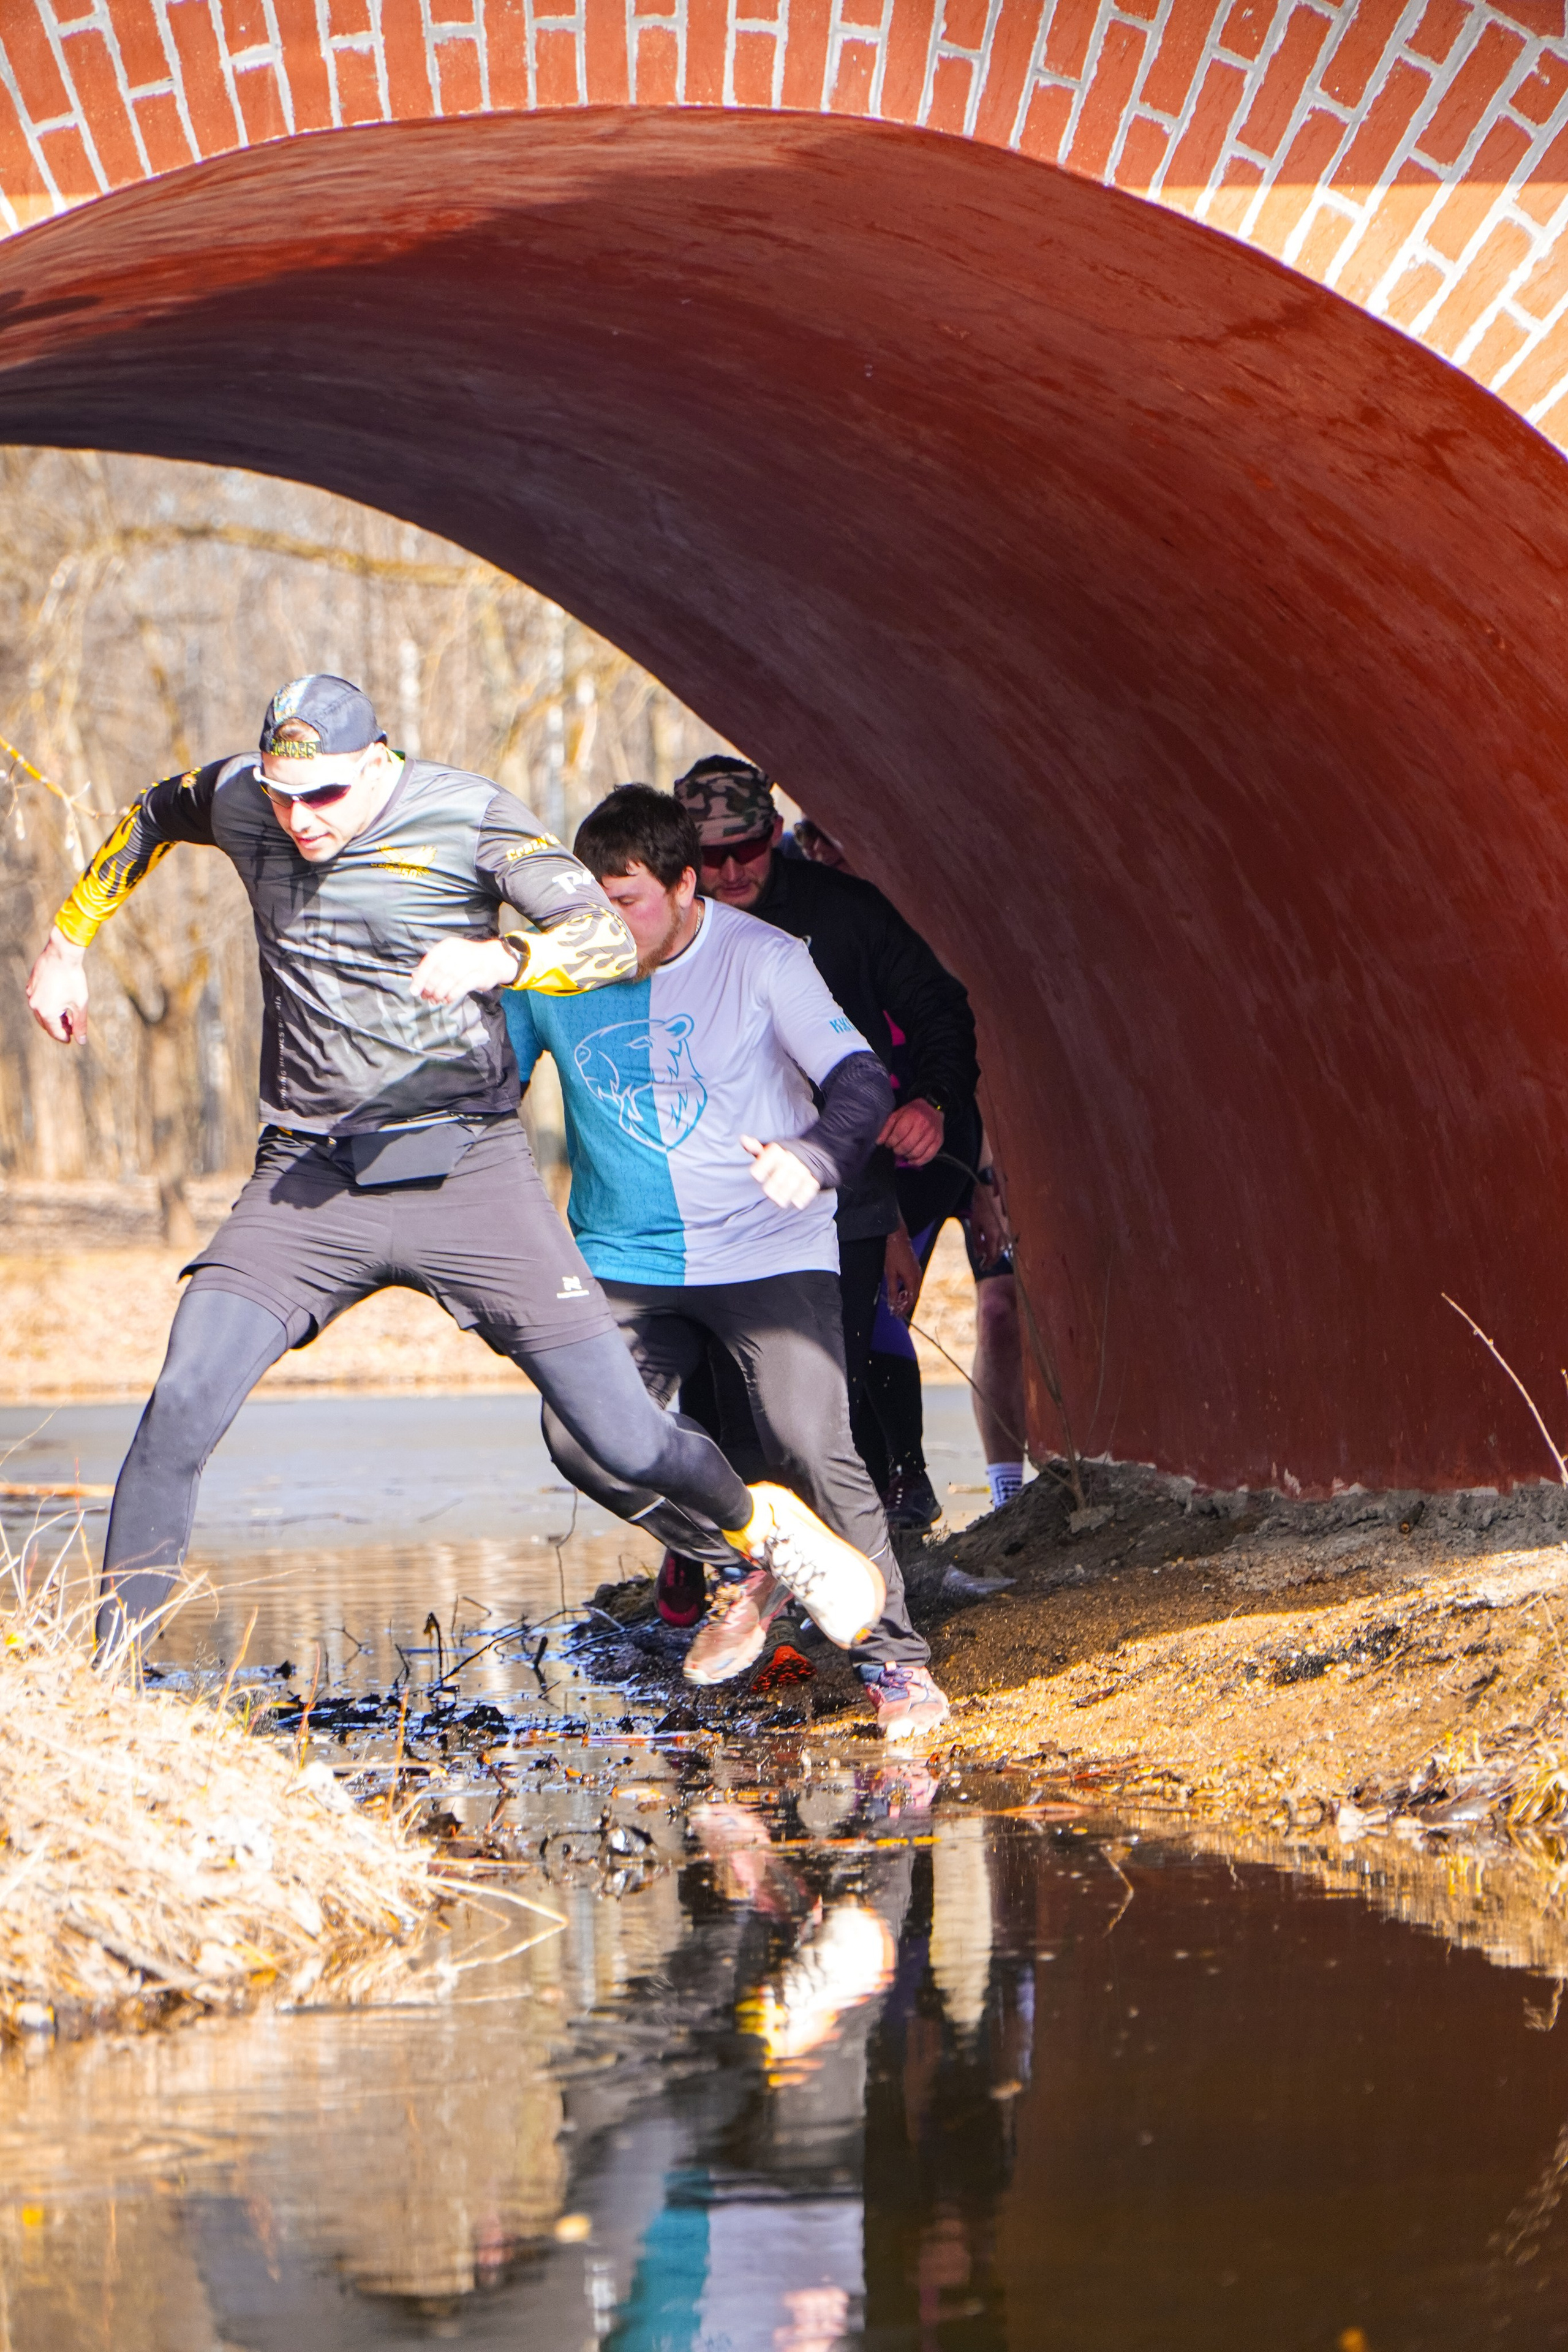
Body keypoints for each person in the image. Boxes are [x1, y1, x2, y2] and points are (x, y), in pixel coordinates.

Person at [24, 676, 883, 1655]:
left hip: (468, 1174)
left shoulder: (466, 814)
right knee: (180, 1400)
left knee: (622, 1439)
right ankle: (114, 1680)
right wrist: (67, 942)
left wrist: (502, 961)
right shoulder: (237, 798)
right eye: (282, 794)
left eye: (327, 797)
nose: (301, 821)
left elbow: (603, 935)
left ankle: (755, 1533)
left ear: (377, 762)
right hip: (310, 1177)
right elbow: (147, 816)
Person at [502, 785, 950, 1742]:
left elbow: (860, 1077)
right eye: (589, 904)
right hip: (626, 1256)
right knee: (580, 1437)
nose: (602, 928)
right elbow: (485, 1096)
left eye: (625, 904)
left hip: (766, 1246)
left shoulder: (766, 959)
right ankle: (757, 1553)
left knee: (812, 1446)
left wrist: (820, 1156)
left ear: (686, 885)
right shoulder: (553, 976)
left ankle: (898, 1670)